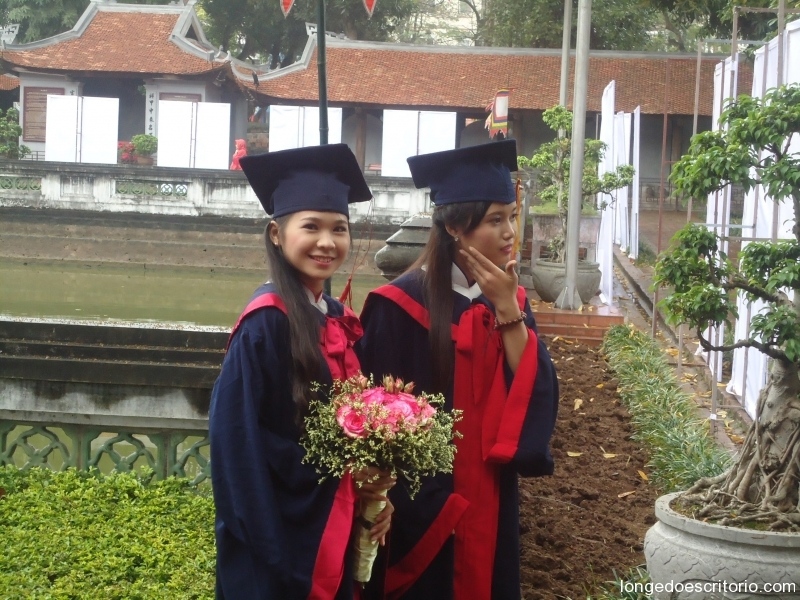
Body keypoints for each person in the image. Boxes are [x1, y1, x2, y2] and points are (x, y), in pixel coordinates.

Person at [357, 140, 559, 600]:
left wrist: (508, 311)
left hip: (492, 496)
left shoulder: (510, 299)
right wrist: (381, 494)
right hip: (419, 506)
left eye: (512, 216)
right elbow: (369, 414)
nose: (510, 232)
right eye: (495, 220)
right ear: (453, 225)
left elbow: (537, 395)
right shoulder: (397, 306)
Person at [210, 144, 394, 600]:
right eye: (310, 226)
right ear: (277, 233)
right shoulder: (265, 323)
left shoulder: (334, 316)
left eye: (339, 228)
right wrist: (343, 479)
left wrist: (373, 489)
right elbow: (238, 449)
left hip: (333, 527)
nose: (327, 242)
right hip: (278, 542)